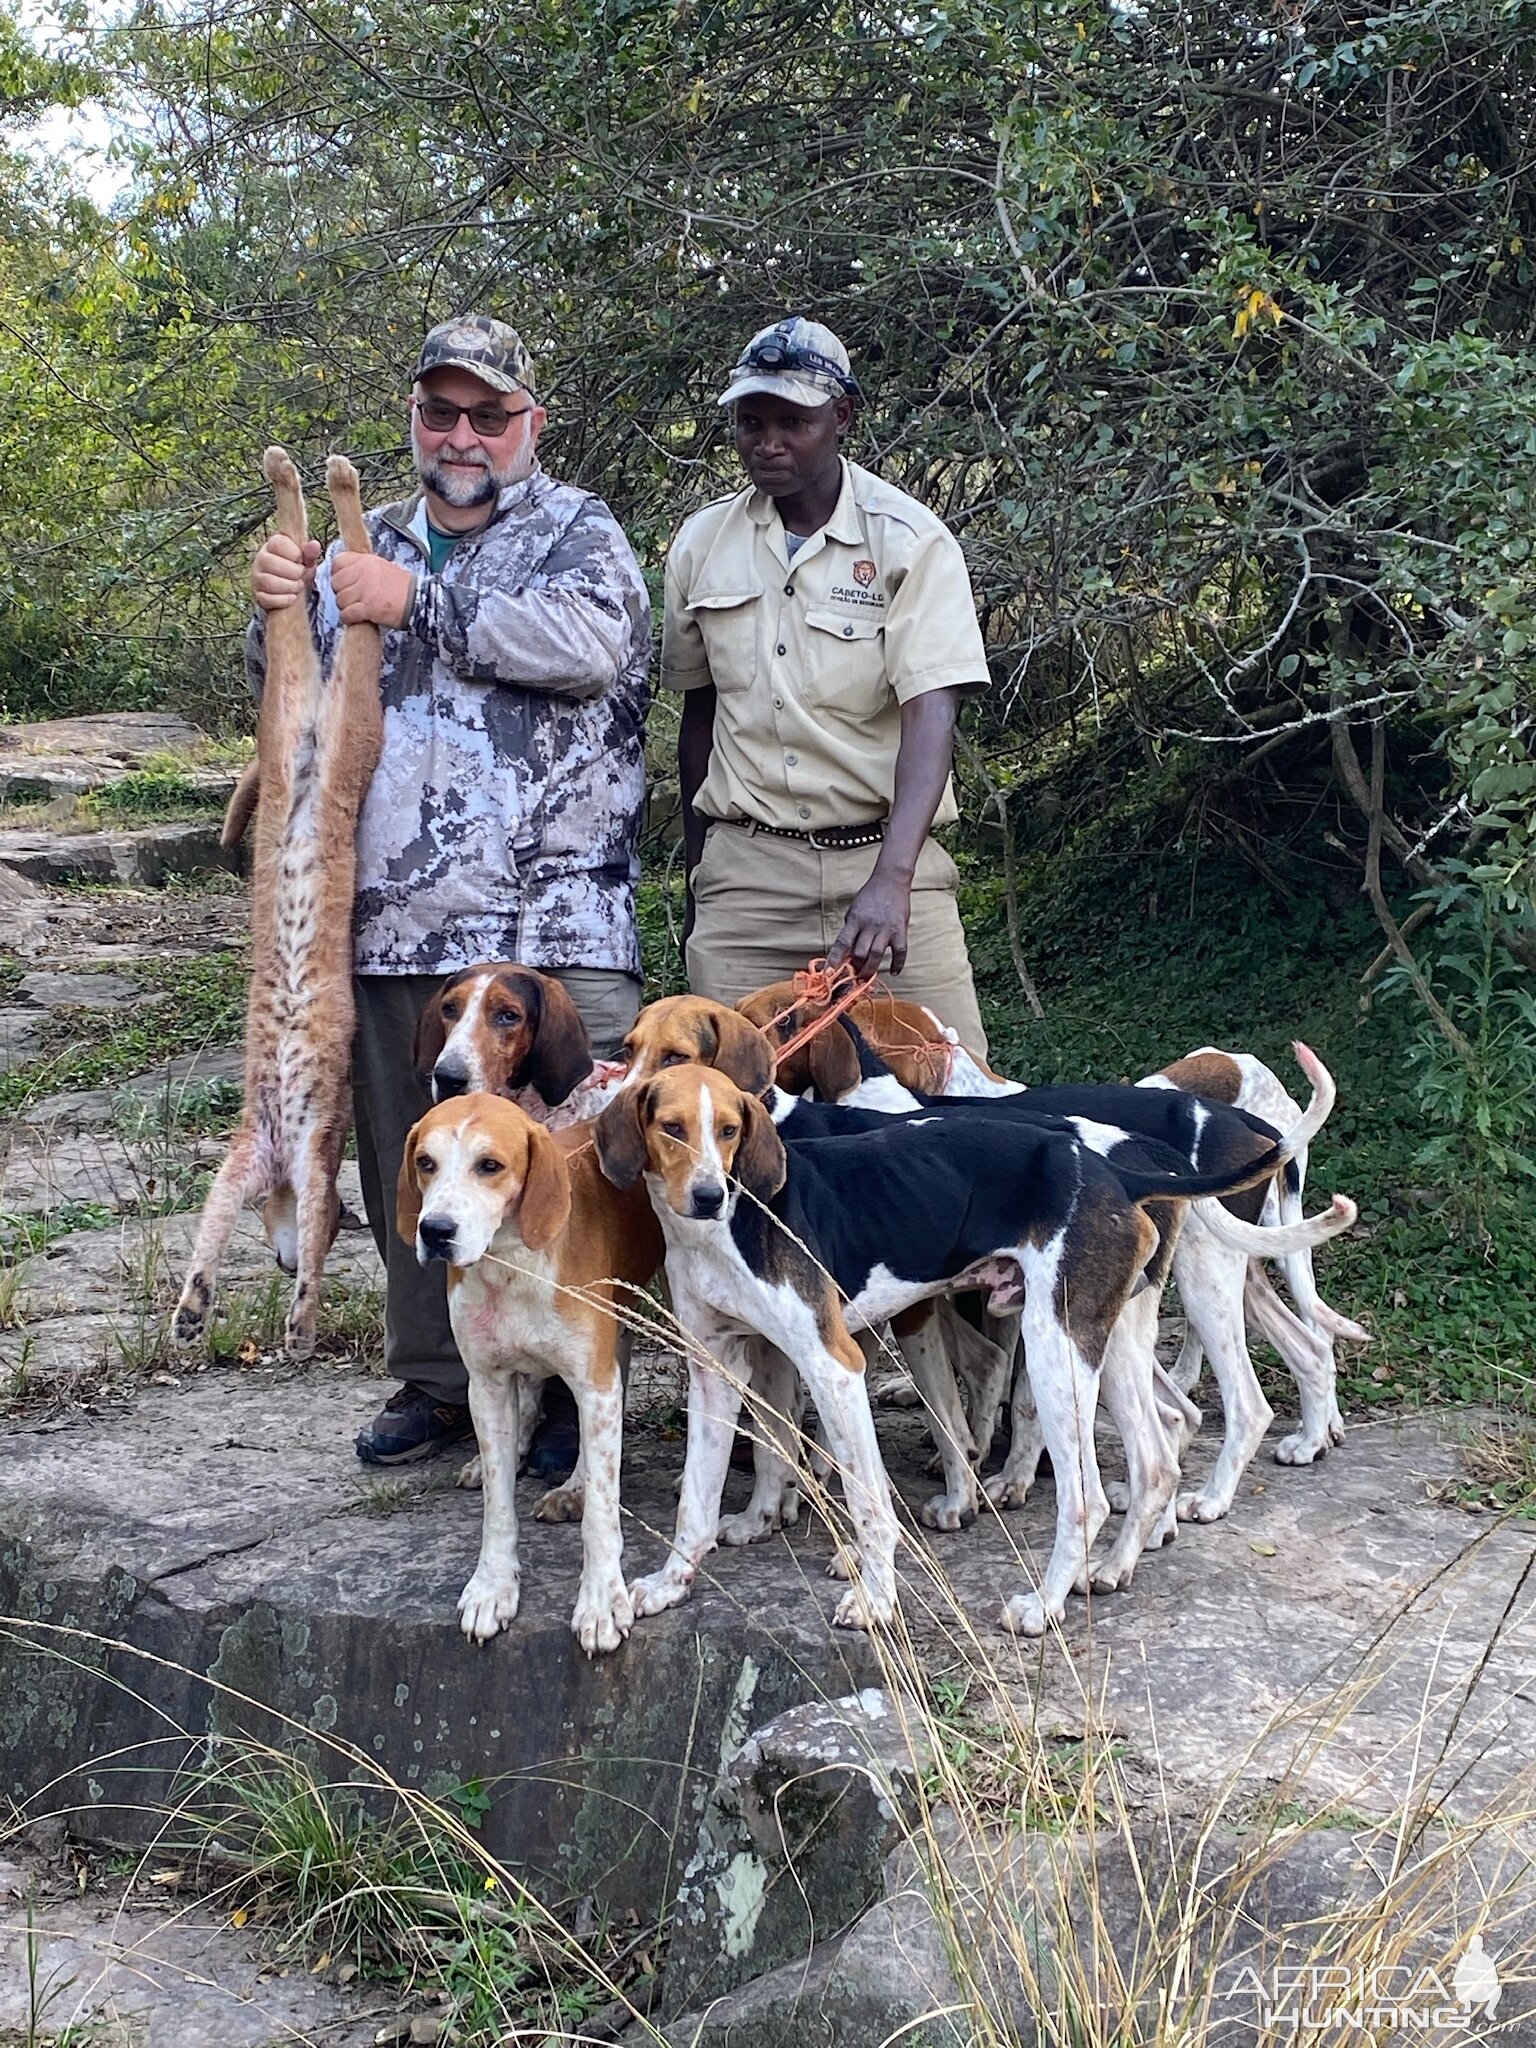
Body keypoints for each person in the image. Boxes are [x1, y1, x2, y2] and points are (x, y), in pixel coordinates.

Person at [247, 314, 651, 1466]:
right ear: (413, 419)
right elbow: (293, 696)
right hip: (390, 924)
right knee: (411, 1162)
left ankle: (577, 1395)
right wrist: (280, 598)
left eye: (489, 413)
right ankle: (437, 1381)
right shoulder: (354, 541)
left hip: (549, 924)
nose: (463, 434)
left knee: (575, 1163)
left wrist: (409, 598)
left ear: (531, 421)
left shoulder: (580, 530)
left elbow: (592, 646)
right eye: (441, 411)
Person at [663, 317, 990, 1054]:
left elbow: (930, 716)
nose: (767, 442)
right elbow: (699, 718)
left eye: (792, 422)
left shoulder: (909, 542)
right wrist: (701, 876)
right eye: (750, 422)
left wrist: (893, 880)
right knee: (729, 1116)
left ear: (841, 417)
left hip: (885, 863)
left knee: (951, 1092)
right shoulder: (700, 545)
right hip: (747, 877)